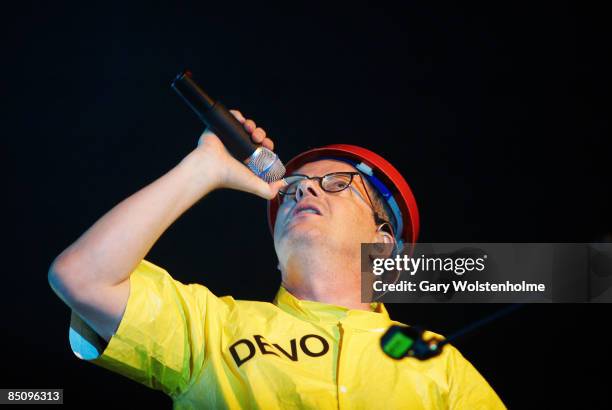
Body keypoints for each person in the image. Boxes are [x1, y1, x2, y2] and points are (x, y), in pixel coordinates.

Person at [49, 110, 506, 409]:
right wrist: (202, 168)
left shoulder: (439, 364)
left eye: (336, 184)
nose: (303, 188)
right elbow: (82, 277)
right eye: (292, 189)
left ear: (383, 245)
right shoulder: (213, 327)